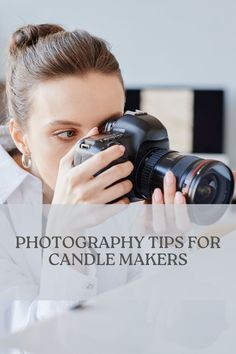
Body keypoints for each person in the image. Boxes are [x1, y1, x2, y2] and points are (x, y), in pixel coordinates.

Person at [0, 23, 235, 335]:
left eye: (110, 127)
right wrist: (64, 239)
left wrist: (167, 249)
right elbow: (31, 344)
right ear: (21, 137)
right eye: (67, 133)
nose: (97, 155)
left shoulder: (132, 181)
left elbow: (157, 331)